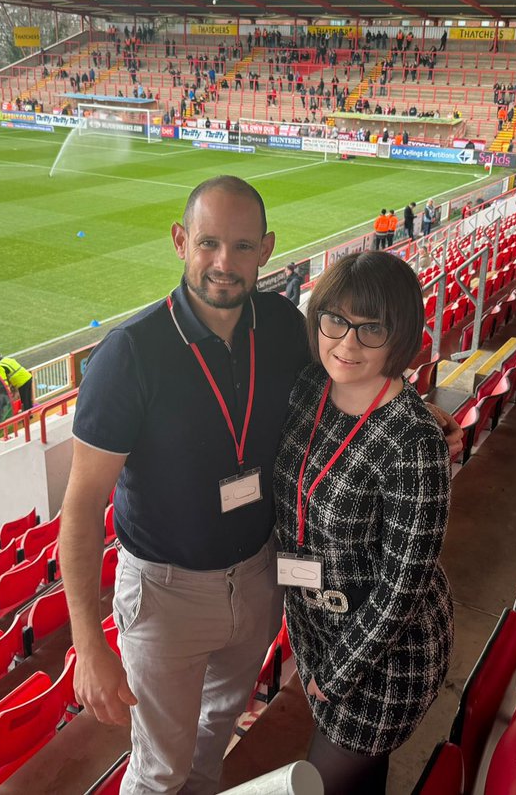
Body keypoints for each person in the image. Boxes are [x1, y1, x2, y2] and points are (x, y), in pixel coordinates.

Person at [58, 177, 461, 795]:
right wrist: (89, 641)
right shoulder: (130, 356)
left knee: (214, 733)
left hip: (258, 578)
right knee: (159, 767)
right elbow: (82, 506)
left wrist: (416, 409)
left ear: (267, 249)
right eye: (208, 243)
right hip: (168, 596)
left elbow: (353, 374)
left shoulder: (280, 325)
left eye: (243, 246)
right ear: (179, 242)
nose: (224, 262)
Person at [273, 251, 453, 794]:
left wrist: (338, 674)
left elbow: (402, 588)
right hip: (316, 630)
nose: (348, 344)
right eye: (337, 321)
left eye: (371, 328)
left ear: (399, 334)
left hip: (383, 659)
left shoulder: (414, 442)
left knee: (322, 784)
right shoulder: (309, 387)